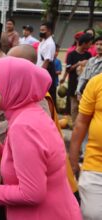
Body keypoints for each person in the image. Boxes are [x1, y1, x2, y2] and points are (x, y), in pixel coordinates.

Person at [0, 56, 82, 220]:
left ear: (14, 86)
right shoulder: (29, 114)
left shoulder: (23, 127)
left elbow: (32, 193)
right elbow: (28, 163)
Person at [69, 74, 102, 220]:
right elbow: (81, 123)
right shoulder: (97, 82)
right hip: (96, 166)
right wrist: (73, 159)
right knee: (93, 214)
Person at [61, 33, 92, 123]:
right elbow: (68, 69)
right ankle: (75, 126)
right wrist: (79, 63)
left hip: (84, 85)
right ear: (84, 43)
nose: (90, 46)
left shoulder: (88, 55)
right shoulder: (71, 54)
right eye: (89, 43)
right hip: (73, 83)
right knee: (74, 107)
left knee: (83, 106)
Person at [37, 22, 57, 106]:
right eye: (40, 30)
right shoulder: (43, 42)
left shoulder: (50, 43)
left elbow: (46, 60)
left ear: (49, 31)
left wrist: (40, 74)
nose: (41, 32)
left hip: (46, 69)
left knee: (48, 93)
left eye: (43, 30)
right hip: (40, 67)